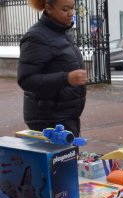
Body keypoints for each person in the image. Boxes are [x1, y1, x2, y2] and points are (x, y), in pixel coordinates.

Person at [17, 0, 87, 137]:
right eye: (65, 9)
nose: (71, 13)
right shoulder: (36, 37)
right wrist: (66, 78)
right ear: (49, 8)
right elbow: (26, 80)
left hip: (65, 114)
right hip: (49, 118)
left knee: (70, 157)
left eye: (73, 8)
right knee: (61, 158)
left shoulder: (63, 31)